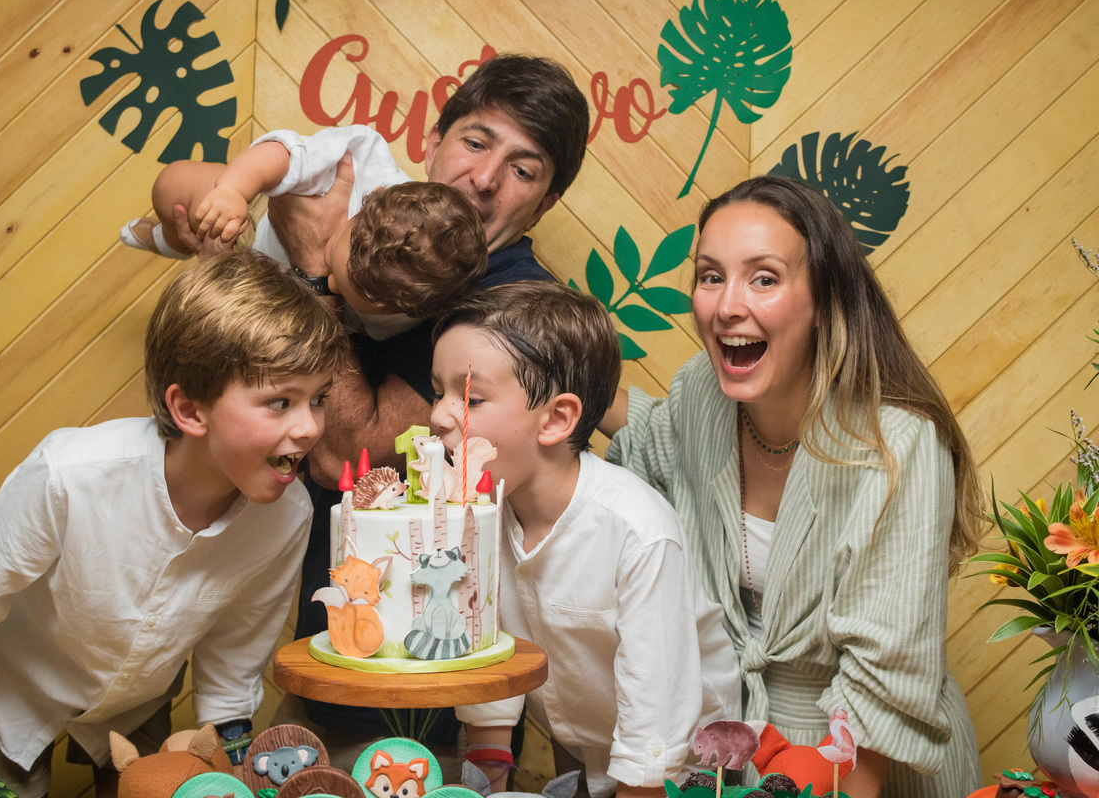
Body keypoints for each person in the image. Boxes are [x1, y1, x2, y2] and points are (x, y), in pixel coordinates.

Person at [237, 53, 590, 761]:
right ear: (433, 143)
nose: (485, 179)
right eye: (475, 142)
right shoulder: (377, 215)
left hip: (439, 681)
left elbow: (350, 455)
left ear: (544, 205)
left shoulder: (509, 304)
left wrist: (313, 272)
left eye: (524, 170)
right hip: (340, 642)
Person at [0, 250, 349, 798]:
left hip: (140, 698)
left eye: (320, 399)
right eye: (280, 401)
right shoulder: (69, 475)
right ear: (190, 410)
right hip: (16, 690)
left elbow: (236, 653)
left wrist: (230, 761)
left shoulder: (288, 518)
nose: (310, 427)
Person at [602, 175, 985, 798]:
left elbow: (879, 695)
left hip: (857, 768)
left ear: (824, 301)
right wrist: (529, 385)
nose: (727, 305)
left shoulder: (899, 446)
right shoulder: (700, 393)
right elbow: (651, 440)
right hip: (730, 752)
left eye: (764, 278)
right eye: (709, 275)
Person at [430, 282, 739, 798]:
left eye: (469, 398)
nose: (439, 413)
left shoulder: (638, 534)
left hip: (690, 773)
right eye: (437, 390)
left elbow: (655, 729)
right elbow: (488, 663)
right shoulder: (474, 518)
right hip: (585, 754)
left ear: (555, 419)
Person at [121, 125, 488, 340]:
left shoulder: (411, 308)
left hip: (264, 302)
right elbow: (281, 153)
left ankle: (192, 248)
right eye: (332, 263)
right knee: (173, 184)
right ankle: (171, 241)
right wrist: (234, 191)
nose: (325, 286)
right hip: (254, 221)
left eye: (342, 295)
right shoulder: (361, 160)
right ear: (369, 201)